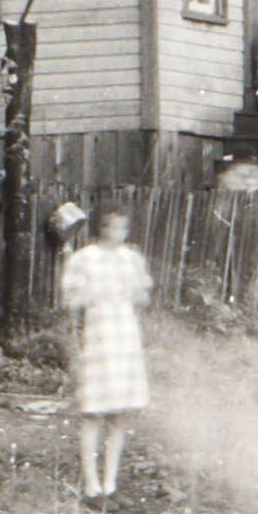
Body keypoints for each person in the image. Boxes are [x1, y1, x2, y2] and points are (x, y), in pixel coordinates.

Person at [59, 205, 151, 498]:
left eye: (123, 228)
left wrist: (138, 290)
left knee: (120, 412)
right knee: (93, 411)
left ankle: (110, 481)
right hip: (98, 335)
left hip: (125, 336)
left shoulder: (131, 259)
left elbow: (142, 297)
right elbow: (71, 300)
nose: (117, 234)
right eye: (112, 227)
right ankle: (91, 483)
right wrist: (91, 295)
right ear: (101, 229)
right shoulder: (84, 259)